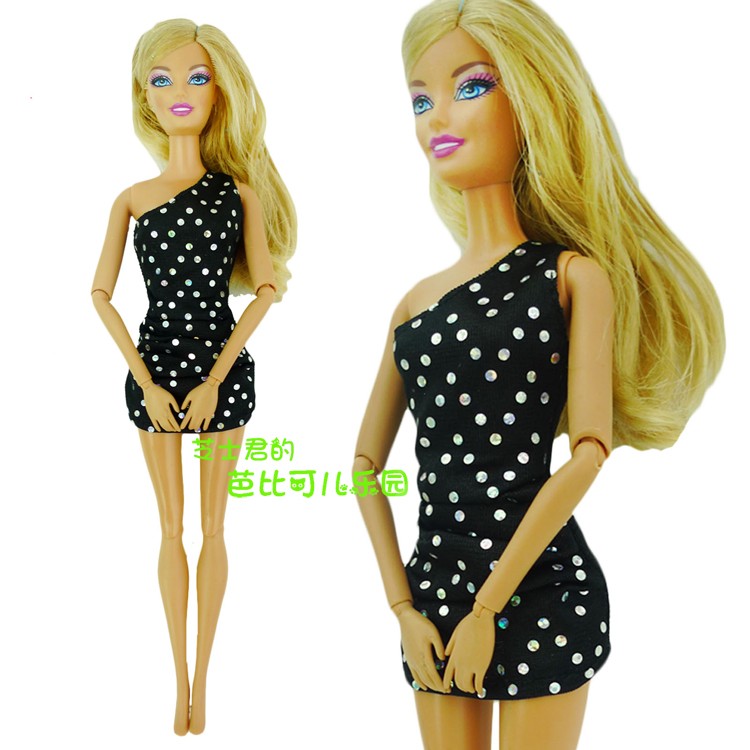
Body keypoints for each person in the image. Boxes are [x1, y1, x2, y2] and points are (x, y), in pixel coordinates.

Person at [353, 2, 723, 748]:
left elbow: (588, 452)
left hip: (540, 588)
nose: (436, 117)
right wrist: (403, 608)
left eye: (470, 86)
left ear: (530, 100)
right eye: (420, 100)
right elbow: (365, 467)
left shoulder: (570, 277)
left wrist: (489, 607)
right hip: (434, 595)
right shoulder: (414, 304)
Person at [91, 19, 296, 735]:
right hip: (154, 369)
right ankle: (176, 677)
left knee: (213, 527)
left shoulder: (239, 194)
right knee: (170, 527)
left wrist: (216, 376)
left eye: (197, 77)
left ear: (219, 93)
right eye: (162, 79)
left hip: (220, 373)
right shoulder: (132, 199)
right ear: (144, 96)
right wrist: (146, 381)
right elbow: (100, 295)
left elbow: (265, 290)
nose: (180, 91)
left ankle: (201, 681)